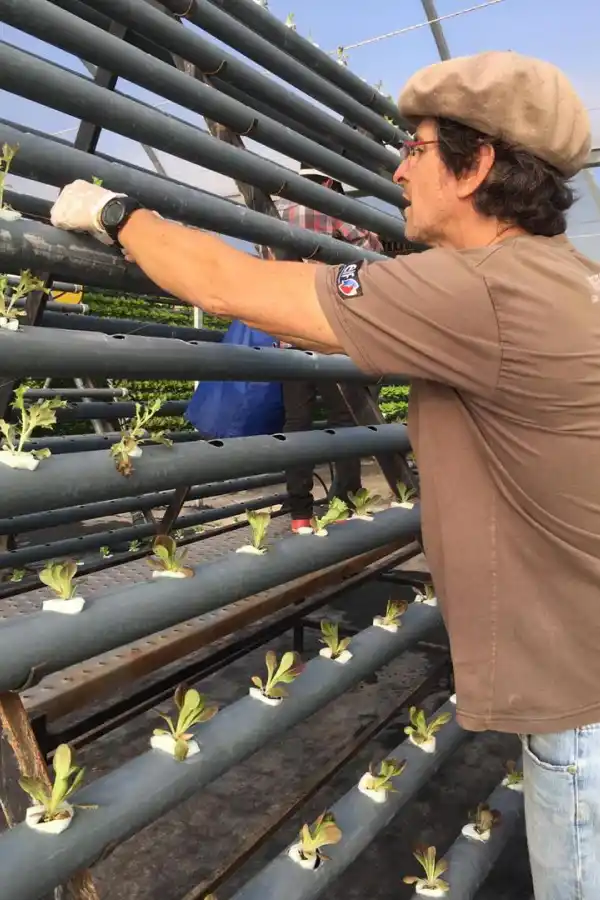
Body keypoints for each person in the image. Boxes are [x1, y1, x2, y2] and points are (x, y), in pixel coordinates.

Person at [50, 51, 600, 900]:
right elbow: (329, 328)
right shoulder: (560, 280)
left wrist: (117, 212)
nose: (398, 167)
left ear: (478, 162)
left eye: (416, 148)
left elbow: (231, 285)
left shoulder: (475, 290)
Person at [257, 161, 384, 531]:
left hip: (288, 335)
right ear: (329, 180)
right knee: (344, 421)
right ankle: (343, 506)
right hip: (327, 333)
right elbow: (369, 248)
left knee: (297, 422)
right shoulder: (328, 206)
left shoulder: (280, 213)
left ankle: (299, 512)